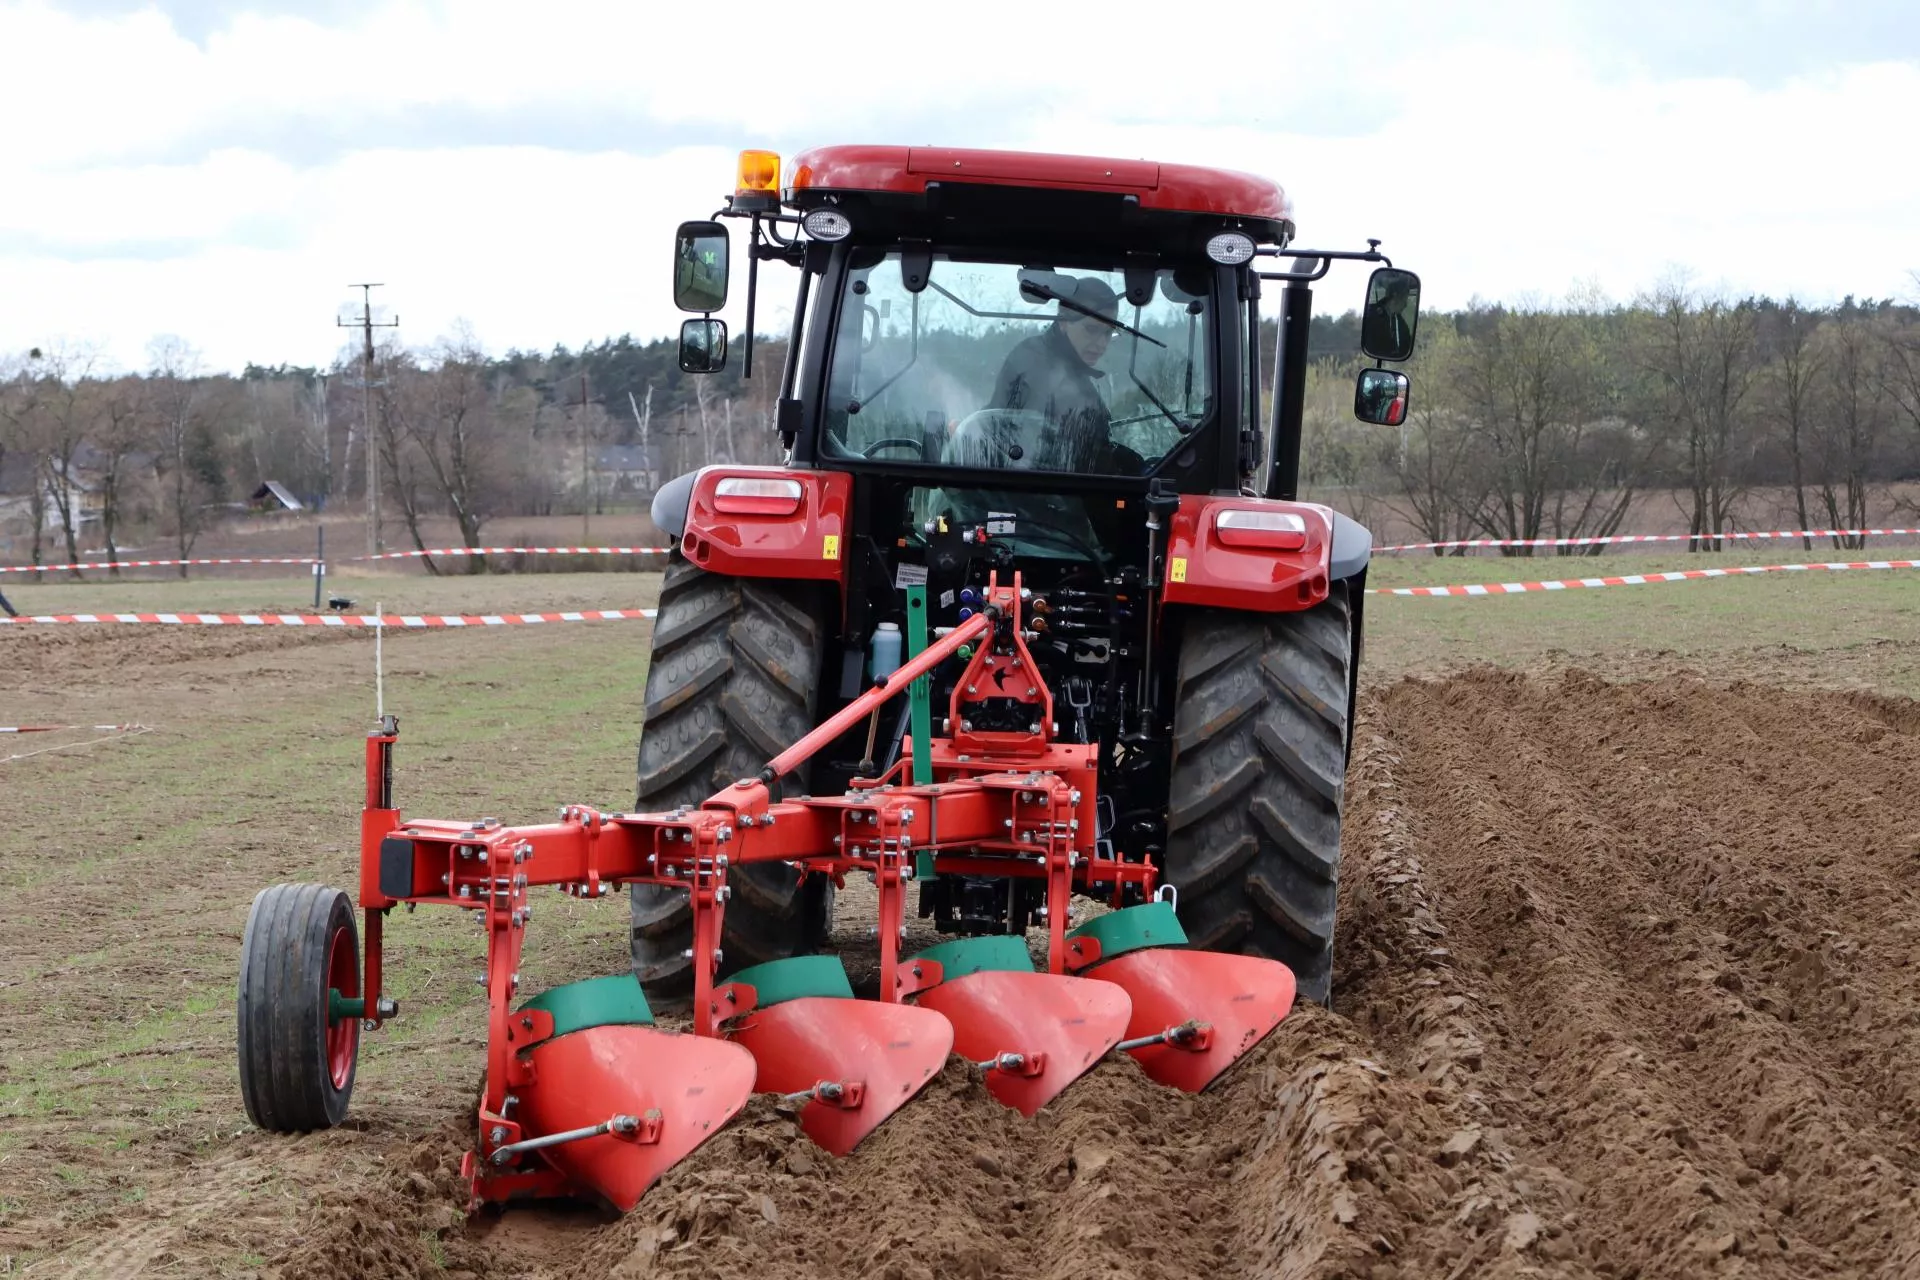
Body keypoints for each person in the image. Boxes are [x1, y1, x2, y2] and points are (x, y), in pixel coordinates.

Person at [984, 276, 1138, 474]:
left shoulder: (1073, 370)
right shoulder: (1037, 365)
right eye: (1091, 330)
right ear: (1063, 321)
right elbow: (1057, 451)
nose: (1101, 343)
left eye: (1108, 333)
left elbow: (1090, 447)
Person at [1362, 274, 1415, 358]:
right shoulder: (1372, 317)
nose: (1405, 304)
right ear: (1395, 296)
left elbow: (1406, 345)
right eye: (1405, 299)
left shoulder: (1399, 322)